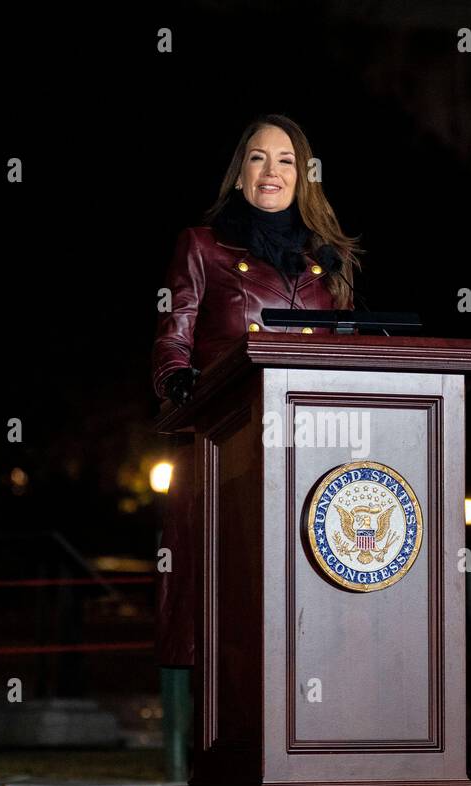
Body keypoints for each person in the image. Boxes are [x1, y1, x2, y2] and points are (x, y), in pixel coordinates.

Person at [150, 113, 363, 668]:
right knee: (228, 604)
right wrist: (180, 383)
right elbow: (174, 336)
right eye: (259, 157)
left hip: (311, 454)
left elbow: (345, 356)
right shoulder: (202, 245)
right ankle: (216, 738)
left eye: (286, 159)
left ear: (304, 175)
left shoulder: (327, 261)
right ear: (240, 174)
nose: (272, 170)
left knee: (298, 606)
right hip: (226, 446)